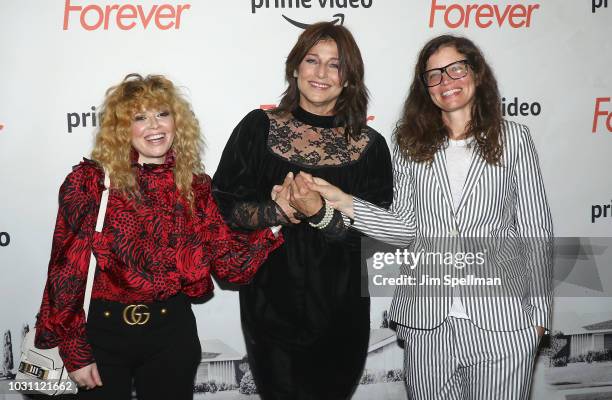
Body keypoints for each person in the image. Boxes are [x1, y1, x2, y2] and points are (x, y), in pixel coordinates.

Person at [307, 35, 553, 400]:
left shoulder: (514, 139)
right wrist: (343, 201)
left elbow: (536, 229)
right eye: (434, 75)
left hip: (502, 321)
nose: (446, 81)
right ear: (425, 88)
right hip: (427, 325)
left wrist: (539, 317)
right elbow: (404, 227)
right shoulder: (410, 144)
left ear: (476, 73)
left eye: (456, 69)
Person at [34, 74, 282, 400]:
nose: (154, 125)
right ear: (123, 128)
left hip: (171, 334)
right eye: (140, 117)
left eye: (162, 114)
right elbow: (65, 274)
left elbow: (230, 265)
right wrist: (75, 351)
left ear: (177, 122)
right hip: (102, 335)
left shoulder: (196, 187)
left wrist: (279, 217)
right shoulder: (90, 182)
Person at [212, 22, 393, 399]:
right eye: (312, 61)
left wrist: (321, 213)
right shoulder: (258, 128)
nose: (321, 73)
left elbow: (378, 234)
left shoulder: (370, 146)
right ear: (295, 68)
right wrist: (278, 211)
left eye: (335, 65)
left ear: (349, 78)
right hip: (270, 302)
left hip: (343, 305)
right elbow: (225, 206)